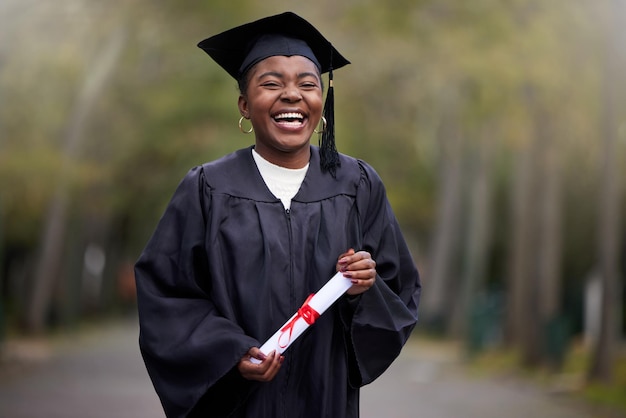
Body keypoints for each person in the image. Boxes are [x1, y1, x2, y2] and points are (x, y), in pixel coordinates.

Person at [134, 11, 421, 418]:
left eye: (308, 84)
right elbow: (167, 294)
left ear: (321, 102)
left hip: (326, 400)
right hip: (238, 405)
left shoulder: (358, 185)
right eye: (271, 84)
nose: (292, 95)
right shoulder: (206, 188)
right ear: (245, 105)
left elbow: (399, 289)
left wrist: (363, 290)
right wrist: (230, 351)